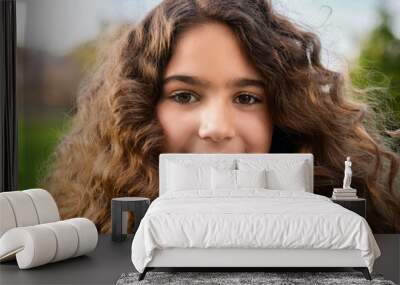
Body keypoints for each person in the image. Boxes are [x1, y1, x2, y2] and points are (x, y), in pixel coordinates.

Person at [43, 0, 400, 233]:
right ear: (138, 111)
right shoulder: (90, 235)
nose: (217, 128)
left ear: (282, 115)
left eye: (246, 97)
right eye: (184, 95)